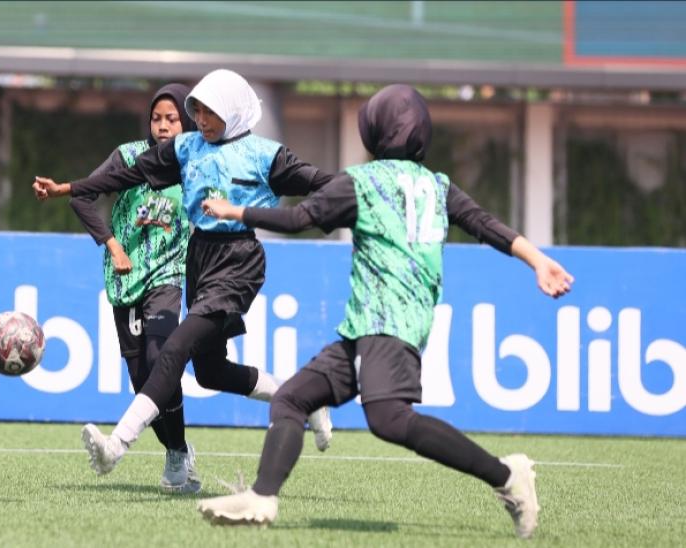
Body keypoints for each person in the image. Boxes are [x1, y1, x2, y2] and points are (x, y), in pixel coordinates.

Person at [196, 84, 574, 539]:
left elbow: (298, 221)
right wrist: (538, 260)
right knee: (292, 398)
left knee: (389, 419)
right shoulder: (438, 186)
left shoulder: (362, 182)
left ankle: (508, 477)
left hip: (385, 324)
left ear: (373, 132)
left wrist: (236, 210)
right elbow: (486, 226)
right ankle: (261, 497)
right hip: (379, 325)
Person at [32, 69, 334, 480]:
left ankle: (115, 447)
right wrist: (67, 188)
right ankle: (303, 399)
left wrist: (371, 195)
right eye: (198, 111)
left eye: (209, 112)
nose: (201, 120)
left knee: (173, 349)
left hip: (239, 260)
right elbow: (126, 174)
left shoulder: (267, 155)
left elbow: (321, 182)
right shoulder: (187, 147)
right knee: (210, 371)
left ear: (233, 111)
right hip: (201, 258)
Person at [35, 83, 201, 493]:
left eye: (172, 119)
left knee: (160, 356)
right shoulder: (129, 157)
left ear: (187, 122)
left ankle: (177, 455)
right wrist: (113, 245)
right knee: (143, 379)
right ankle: (178, 448)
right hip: (125, 280)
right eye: (156, 118)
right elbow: (83, 198)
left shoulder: (196, 163)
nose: (162, 126)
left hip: (168, 275)